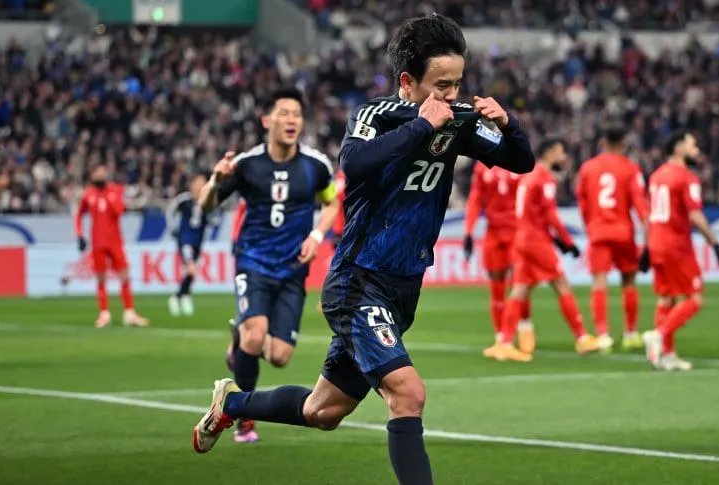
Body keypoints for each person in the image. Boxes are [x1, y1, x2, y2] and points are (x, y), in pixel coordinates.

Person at [191, 14, 535, 485]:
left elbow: (521, 161)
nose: (452, 95)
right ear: (407, 82)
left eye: (457, 83)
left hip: (402, 288)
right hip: (358, 281)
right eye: (441, 85)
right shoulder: (376, 116)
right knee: (408, 394)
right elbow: (353, 163)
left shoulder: (457, 121)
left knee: (322, 411)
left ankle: (230, 403)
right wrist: (422, 125)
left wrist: (508, 123)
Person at [197, 87, 341, 443]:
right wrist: (215, 181)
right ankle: (243, 418)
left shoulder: (315, 165)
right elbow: (206, 205)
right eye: (284, 113)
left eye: (297, 114)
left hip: (293, 268)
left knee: (279, 356)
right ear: (267, 120)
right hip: (254, 261)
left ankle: (240, 342)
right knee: (255, 334)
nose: (292, 120)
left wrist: (316, 236)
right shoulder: (247, 165)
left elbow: (332, 203)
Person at [494, 139, 598, 361]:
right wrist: (568, 241)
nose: (564, 157)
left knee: (520, 289)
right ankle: (582, 338)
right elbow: (550, 215)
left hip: (522, 238)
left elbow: (535, 213)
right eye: (561, 152)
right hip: (537, 242)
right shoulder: (545, 179)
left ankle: (504, 343)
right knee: (561, 284)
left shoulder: (528, 176)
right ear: (549, 154)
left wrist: (557, 241)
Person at [641, 131, 719, 371]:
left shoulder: (657, 176)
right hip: (676, 245)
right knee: (695, 298)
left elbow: (648, 214)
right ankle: (658, 335)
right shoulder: (687, 178)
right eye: (693, 145)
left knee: (666, 298)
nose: (697, 150)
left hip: (657, 242)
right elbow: (695, 215)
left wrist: (646, 247)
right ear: (679, 148)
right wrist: (715, 244)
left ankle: (667, 356)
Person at [575, 123, 648, 352]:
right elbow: (640, 205)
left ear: (603, 142)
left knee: (599, 282)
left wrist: (590, 226)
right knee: (629, 281)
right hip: (623, 232)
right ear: (624, 143)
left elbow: (583, 202)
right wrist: (648, 234)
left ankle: (603, 335)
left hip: (598, 231)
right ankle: (630, 334)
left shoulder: (588, 168)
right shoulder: (631, 168)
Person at [462, 162, 534, 354]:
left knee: (519, 284)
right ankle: (501, 337)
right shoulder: (482, 167)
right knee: (496, 285)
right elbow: (476, 198)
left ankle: (525, 327)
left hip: (517, 232)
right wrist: (468, 231)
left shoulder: (519, 160)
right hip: (494, 233)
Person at [74, 164, 149, 328]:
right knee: (101, 278)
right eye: (97, 172)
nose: (100, 175)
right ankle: (104, 314)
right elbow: (79, 215)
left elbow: (120, 211)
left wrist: (111, 198)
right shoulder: (88, 194)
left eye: (103, 172)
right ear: (92, 175)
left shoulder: (115, 190)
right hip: (97, 242)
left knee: (124, 275)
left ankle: (129, 313)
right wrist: (79, 235)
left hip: (115, 241)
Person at [166, 172, 217, 317]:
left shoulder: (207, 200)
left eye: (203, 183)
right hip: (185, 240)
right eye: (198, 182)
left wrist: (212, 218)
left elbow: (213, 219)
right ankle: (178, 297)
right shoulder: (184, 199)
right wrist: (173, 229)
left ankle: (183, 295)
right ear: (192, 184)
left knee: (192, 271)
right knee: (191, 269)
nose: (200, 186)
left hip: (198, 241)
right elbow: (170, 211)